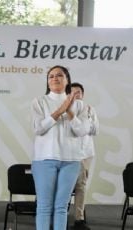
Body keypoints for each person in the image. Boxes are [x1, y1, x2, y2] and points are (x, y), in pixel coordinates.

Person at [31, 65, 90, 230]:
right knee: (44, 207)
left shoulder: (79, 105)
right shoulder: (39, 102)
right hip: (44, 160)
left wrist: (69, 111)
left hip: (71, 161)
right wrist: (59, 111)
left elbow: (82, 131)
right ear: (47, 81)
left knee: (61, 207)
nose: (55, 78)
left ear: (67, 80)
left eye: (59, 75)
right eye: (51, 76)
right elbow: (38, 128)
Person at [70, 82, 99, 230]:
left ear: (83, 94)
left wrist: (85, 122)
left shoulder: (89, 109)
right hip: (68, 154)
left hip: (85, 153)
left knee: (81, 186)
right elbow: (73, 130)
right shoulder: (66, 109)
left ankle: (79, 219)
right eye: (73, 92)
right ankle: (58, 216)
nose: (76, 95)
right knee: (66, 186)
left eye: (78, 92)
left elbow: (95, 130)